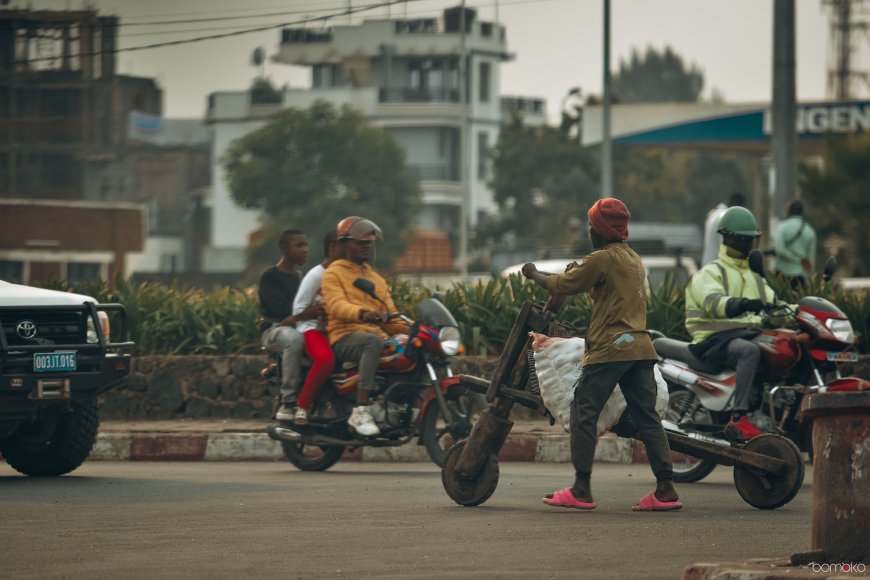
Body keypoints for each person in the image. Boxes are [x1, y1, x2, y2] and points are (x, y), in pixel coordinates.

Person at [522, 197, 682, 512]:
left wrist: (533, 273)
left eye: (591, 226)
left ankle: (581, 489)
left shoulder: (602, 257)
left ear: (598, 229)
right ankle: (666, 490)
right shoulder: (633, 259)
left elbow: (562, 285)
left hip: (612, 348)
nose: (589, 232)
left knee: (583, 411)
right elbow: (605, 292)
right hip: (640, 347)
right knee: (648, 418)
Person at [685, 206, 787, 443]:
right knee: (749, 351)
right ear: (730, 237)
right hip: (713, 339)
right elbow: (715, 302)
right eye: (747, 239)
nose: (750, 244)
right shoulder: (710, 273)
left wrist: (791, 312)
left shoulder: (754, 276)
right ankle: (739, 416)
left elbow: (773, 301)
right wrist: (741, 304)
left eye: (752, 239)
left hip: (744, 334)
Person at [321, 216, 408, 437]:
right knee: (373, 341)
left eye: (368, 242)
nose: (366, 246)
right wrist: (362, 313)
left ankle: (398, 405)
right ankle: (360, 410)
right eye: (360, 242)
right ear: (343, 244)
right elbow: (335, 305)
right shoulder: (333, 273)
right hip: (344, 335)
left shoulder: (376, 279)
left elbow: (391, 315)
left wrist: (417, 329)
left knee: (412, 346)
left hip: (374, 334)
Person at [258, 229, 321, 422]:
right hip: (275, 330)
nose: (305, 250)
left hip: (298, 326)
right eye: (299, 245)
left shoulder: (299, 277)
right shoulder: (270, 276)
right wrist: (305, 312)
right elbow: (279, 309)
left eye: (306, 245)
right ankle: (288, 401)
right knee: (294, 339)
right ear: (285, 249)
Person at [289, 230, 342, 425]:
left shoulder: (346, 274)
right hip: (311, 327)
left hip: (338, 327)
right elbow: (299, 310)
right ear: (333, 248)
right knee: (325, 359)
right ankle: (302, 406)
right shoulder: (315, 275)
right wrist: (322, 309)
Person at [773, 198, 817, 290]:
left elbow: (779, 249)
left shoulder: (782, 226)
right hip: (800, 277)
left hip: (781, 275)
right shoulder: (810, 231)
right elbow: (810, 260)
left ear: (789, 211)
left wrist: (794, 259)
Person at [702, 192, 746, 266]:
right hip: (718, 269)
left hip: (707, 265)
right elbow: (724, 248)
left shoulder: (713, 213)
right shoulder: (725, 217)